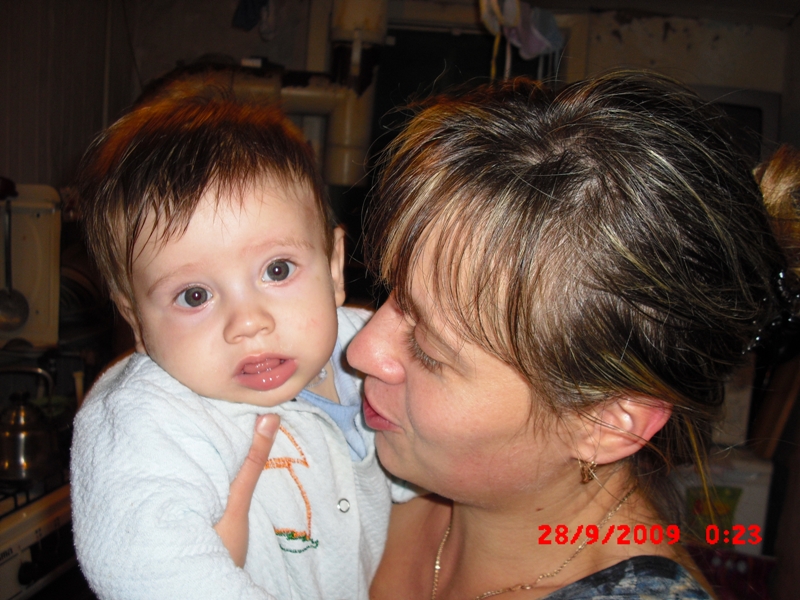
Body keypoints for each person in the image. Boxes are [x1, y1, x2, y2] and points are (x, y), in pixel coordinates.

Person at [226, 71, 800, 598]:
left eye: (428, 351)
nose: (361, 349)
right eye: (392, 294)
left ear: (606, 422)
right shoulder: (374, 454)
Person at [70, 92, 408, 600]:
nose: (248, 322)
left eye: (278, 270)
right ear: (136, 321)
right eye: (195, 295)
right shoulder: (150, 414)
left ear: (335, 266)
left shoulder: (372, 351)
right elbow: (143, 564)